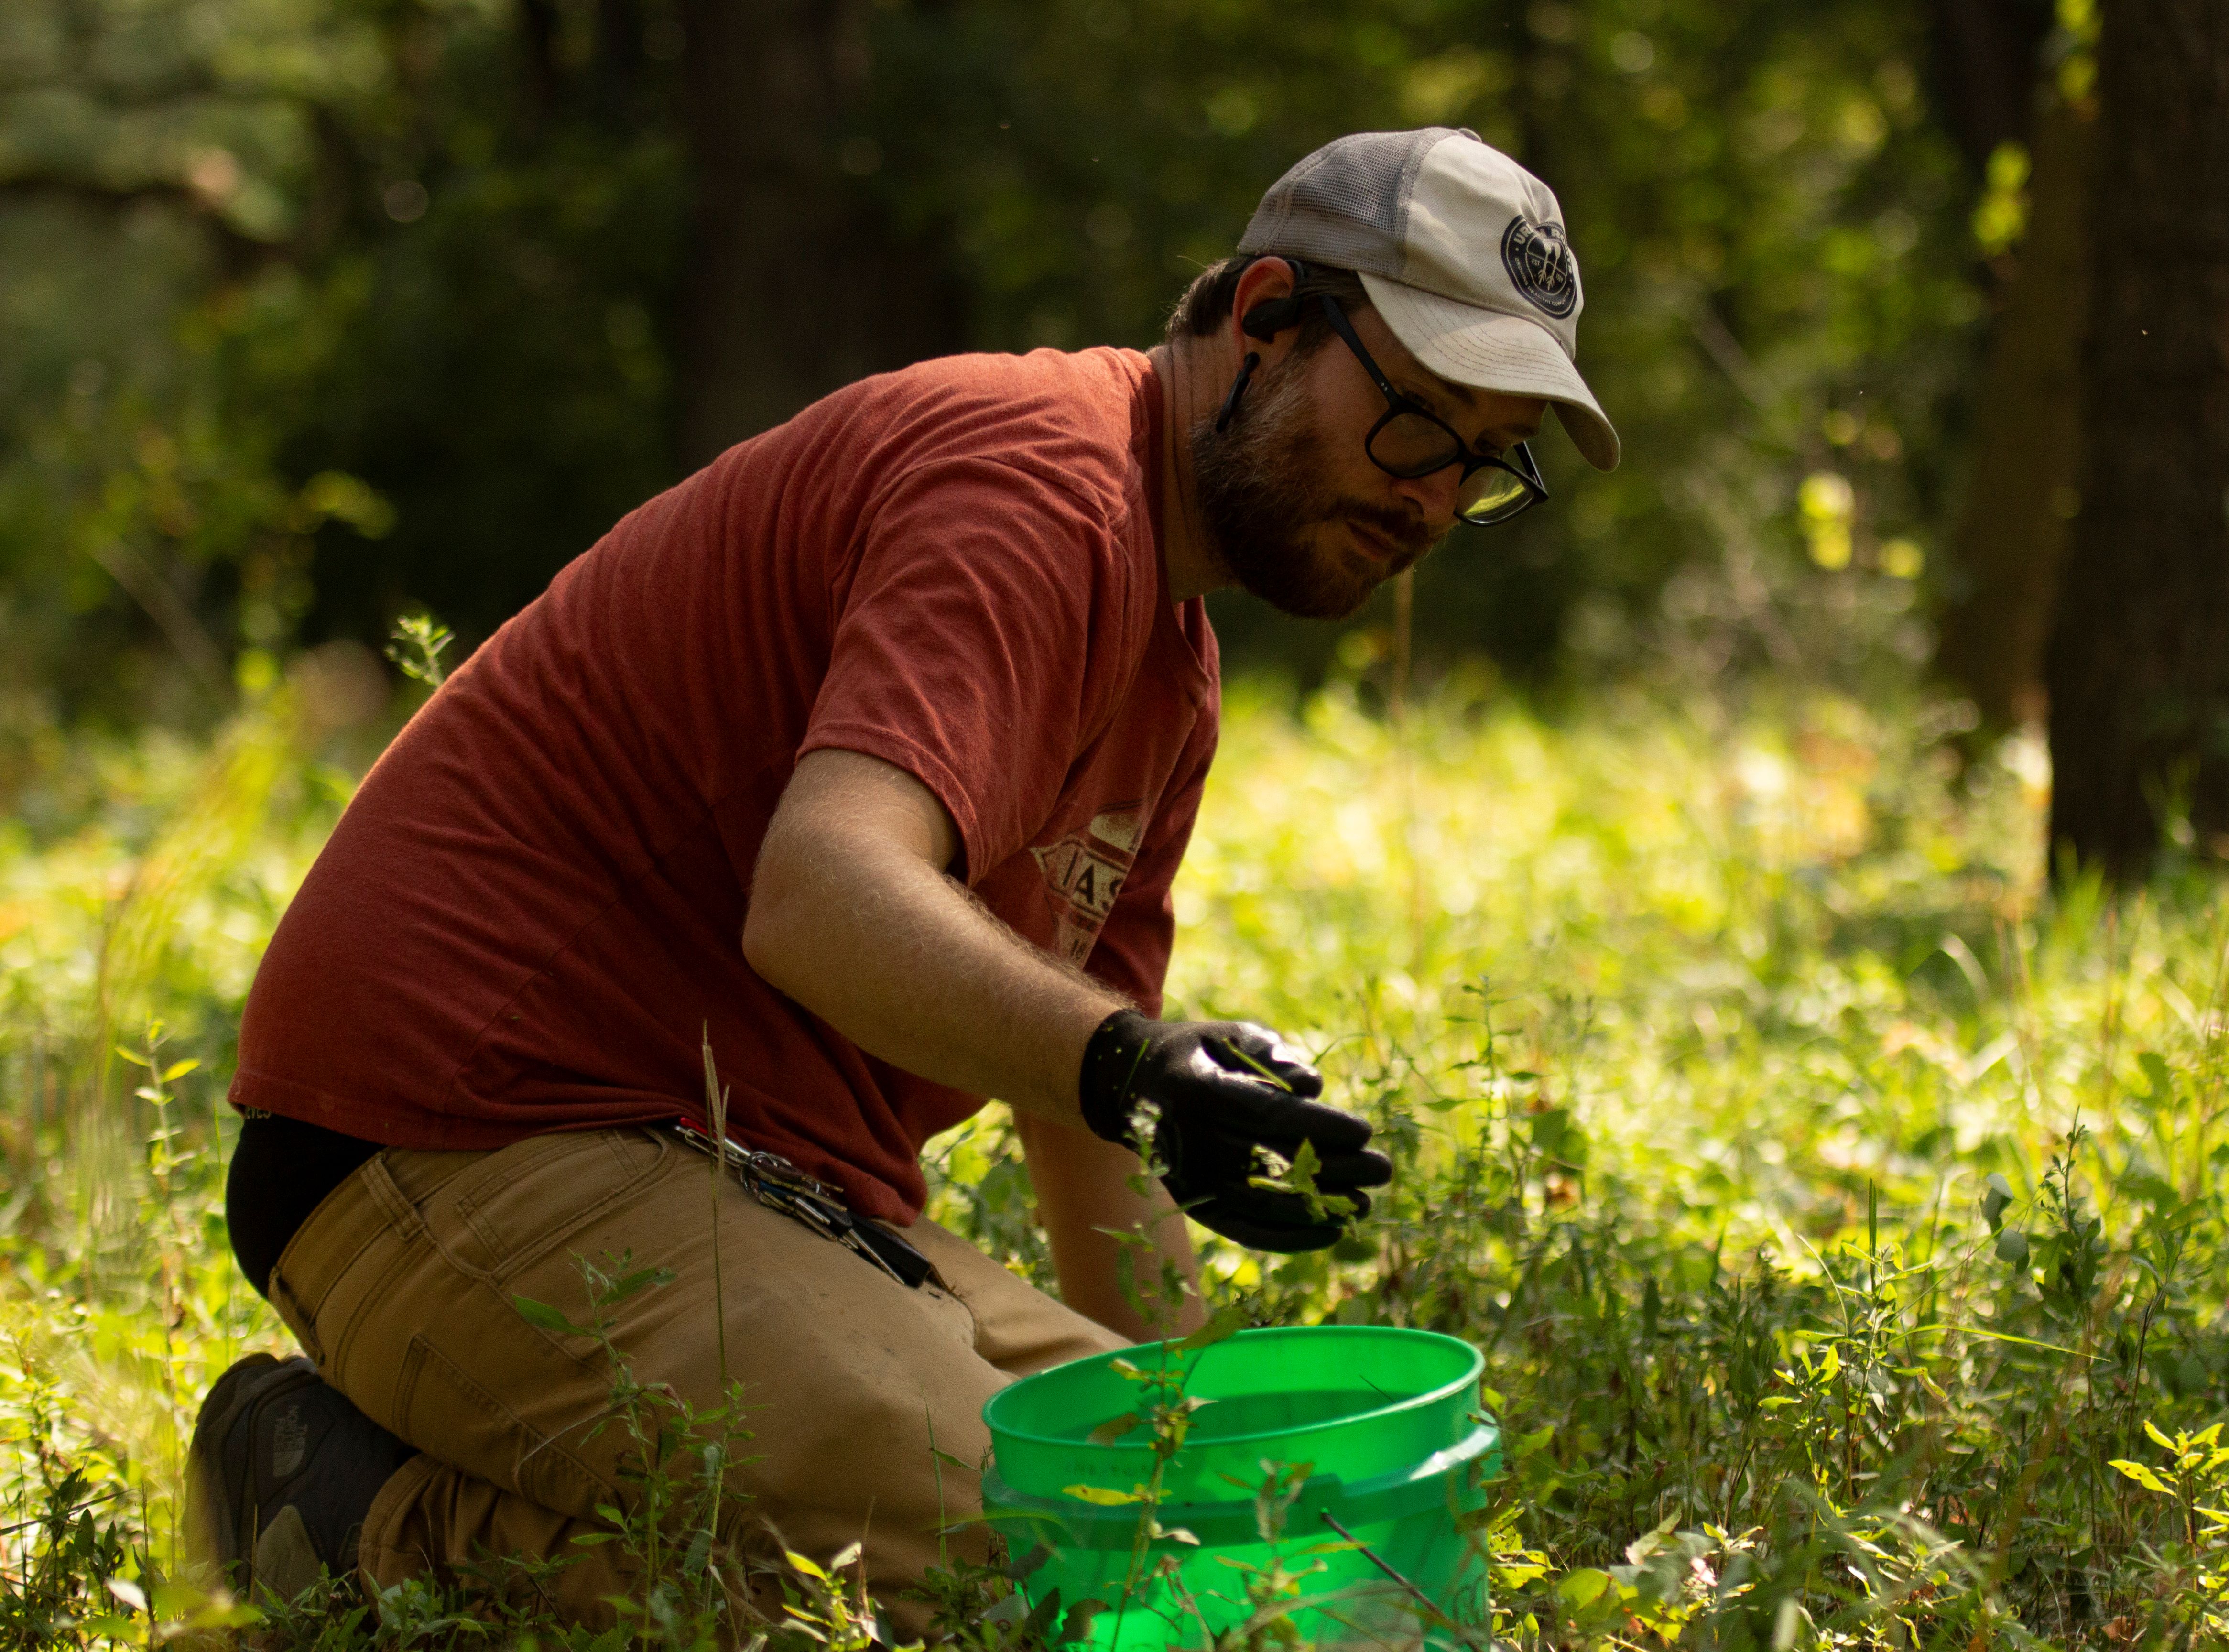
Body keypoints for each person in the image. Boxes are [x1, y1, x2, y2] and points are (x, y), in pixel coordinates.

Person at [185, 126, 1619, 1632]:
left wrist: (1197, 1423)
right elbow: (822, 894)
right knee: (1057, 1567)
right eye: (1418, 423)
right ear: (1265, 316)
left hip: (742, 1180)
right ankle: (359, 1518)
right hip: (459, 1138)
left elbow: (1088, 1119)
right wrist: (1137, 1068)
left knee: (1214, 1541)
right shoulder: (1037, 489)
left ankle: (419, 1491)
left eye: (1485, 461)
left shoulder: (1167, 660)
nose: (1435, 499)